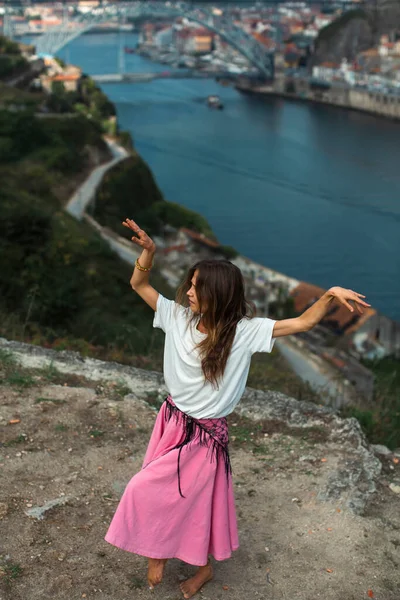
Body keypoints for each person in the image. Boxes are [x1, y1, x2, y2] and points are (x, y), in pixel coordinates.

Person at [104, 218, 370, 599]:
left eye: (197, 288)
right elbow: (139, 284)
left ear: (218, 294)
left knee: (151, 489)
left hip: (207, 435)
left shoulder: (244, 332)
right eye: (190, 285)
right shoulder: (177, 317)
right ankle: (192, 563)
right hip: (172, 419)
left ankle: (167, 555)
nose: (189, 292)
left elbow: (302, 322)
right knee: (183, 499)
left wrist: (329, 295)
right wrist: (149, 253)